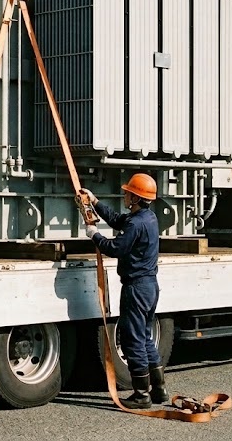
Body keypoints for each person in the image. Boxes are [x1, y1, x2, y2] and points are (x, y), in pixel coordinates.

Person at [80, 173, 169, 409]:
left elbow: (115, 248)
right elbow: (120, 221)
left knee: (132, 340)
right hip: (149, 286)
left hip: (136, 288)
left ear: (136, 197)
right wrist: (96, 203)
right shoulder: (147, 217)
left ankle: (142, 395)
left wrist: (94, 235)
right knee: (145, 336)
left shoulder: (137, 223)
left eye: (128, 192)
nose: (125, 195)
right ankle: (159, 390)